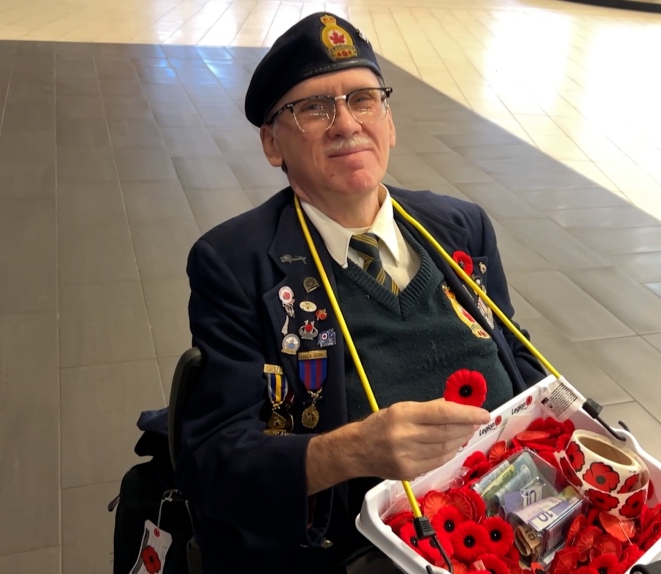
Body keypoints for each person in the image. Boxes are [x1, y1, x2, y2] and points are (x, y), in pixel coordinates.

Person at [175, 12, 546, 574]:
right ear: (272, 144)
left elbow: (516, 355)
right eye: (313, 108)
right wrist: (349, 451)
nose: (346, 123)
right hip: (365, 549)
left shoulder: (461, 228)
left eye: (364, 99)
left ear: (389, 123)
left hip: (513, 509)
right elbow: (212, 463)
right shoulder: (235, 265)